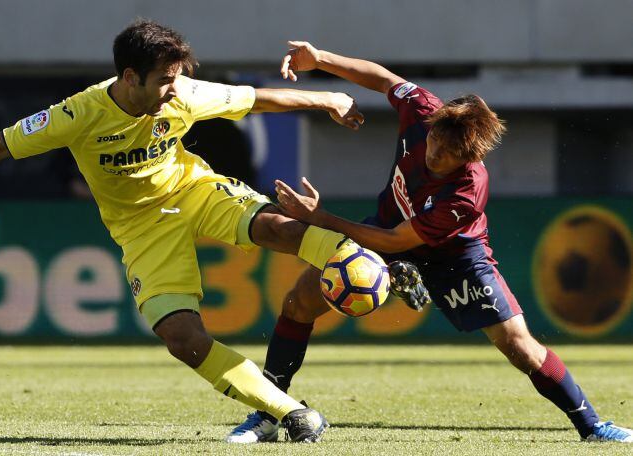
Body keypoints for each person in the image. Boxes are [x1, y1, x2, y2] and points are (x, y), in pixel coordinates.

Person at [0, 21, 385, 443]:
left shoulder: (182, 94)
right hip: (141, 229)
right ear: (129, 77)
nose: (173, 89)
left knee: (276, 225)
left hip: (195, 191)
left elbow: (255, 100)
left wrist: (327, 99)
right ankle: (290, 412)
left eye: (176, 78)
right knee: (182, 338)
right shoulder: (78, 114)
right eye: (164, 80)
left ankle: (375, 261)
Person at [228, 41, 633, 444]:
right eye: (436, 143)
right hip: (385, 231)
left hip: (454, 256)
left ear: (469, 158)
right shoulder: (424, 110)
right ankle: (266, 414)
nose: (435, 155)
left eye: (447, 155)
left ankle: (593, 426)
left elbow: (394, 239)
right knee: (299, 301)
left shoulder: (466, 191)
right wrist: (320, 60)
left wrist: (318, 218)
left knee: (519, 346)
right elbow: (385, 79)